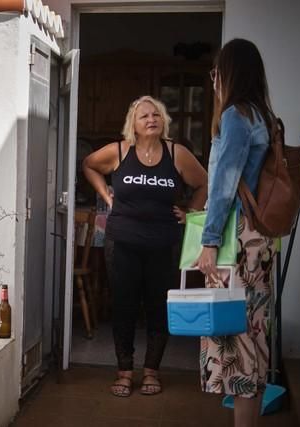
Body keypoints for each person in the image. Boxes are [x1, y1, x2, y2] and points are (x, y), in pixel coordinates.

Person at [83, 95, 207, 397]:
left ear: (163, 121)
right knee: (123, 307)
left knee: (157, 308)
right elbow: (88, 165)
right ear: (133, 125)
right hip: (122, 243)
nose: (151, 119)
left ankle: (152, 371)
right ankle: (124, 371)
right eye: (144, 116)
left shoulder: (176, 153)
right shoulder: (119, 152)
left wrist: (190, 210)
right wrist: (107, 194)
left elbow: (205, 182)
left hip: (163, 244)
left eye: (156, 115)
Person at [193, 38, 275, 427]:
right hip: (259, 242)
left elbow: (224, 184)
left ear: (229, 74)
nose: (213, 80)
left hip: (237, 238)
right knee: (252, 336)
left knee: (238, 341)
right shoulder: (263, 115)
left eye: (216, 72)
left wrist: (208, 242)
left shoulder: (236, 117)